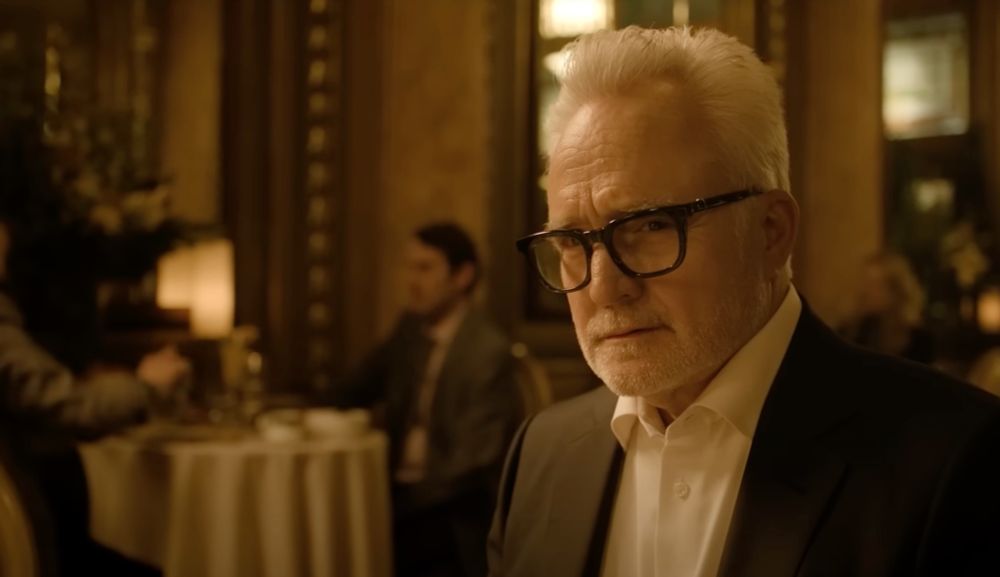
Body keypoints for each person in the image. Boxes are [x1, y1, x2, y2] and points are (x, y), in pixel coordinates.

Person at [490, 26, 1000, 577]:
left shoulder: (956, 460)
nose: (603, 286)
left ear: (770, 230)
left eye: (650, 225)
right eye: (571, 242)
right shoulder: (541, 455)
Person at [332, 222, 519, 577]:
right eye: (409, 267)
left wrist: (395, 505)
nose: (411, 281)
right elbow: (354, 389)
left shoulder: (487, 349)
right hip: (397, 491)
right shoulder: (409, 329)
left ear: (462, 276)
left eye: (425, 268)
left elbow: (474, 460)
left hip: (450, 513)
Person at [839, 251, 933, 363]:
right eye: (865, 283)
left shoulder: (921, 342)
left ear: (895, 291)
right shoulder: (854, 333)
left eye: (874, 285)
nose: (865, 291)